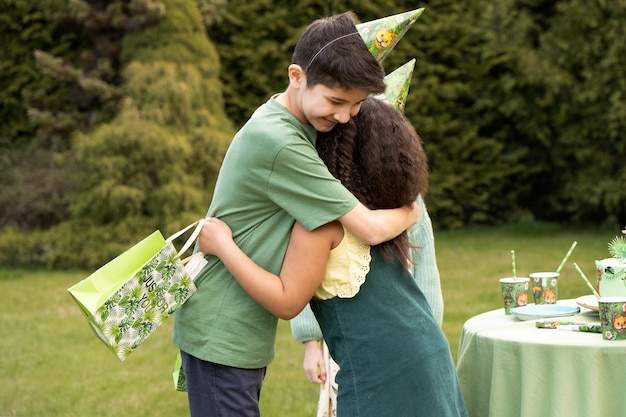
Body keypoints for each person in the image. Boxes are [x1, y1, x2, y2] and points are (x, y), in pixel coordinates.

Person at [171, 12, 420, 417]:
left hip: (238, 324)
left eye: (356, 106)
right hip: (223, 324)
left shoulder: (285, 119)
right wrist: (411, 209)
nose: (343, 117)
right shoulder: (283, 143)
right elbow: (372, 229)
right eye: (336, 101)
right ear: (296, 75)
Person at [198, 97, 468, 417]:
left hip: (380, 373)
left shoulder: (320, 222)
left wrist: (224, 246)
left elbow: (287, 301)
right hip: (430, 354)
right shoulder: (394, 208)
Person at [290, 193, 443, 417]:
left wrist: (430, 334)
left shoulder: (406, 194)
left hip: (410, 336)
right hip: (348, 340)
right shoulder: (328, 190)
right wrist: (310, 344)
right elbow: (304, 272)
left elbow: (427, 271)